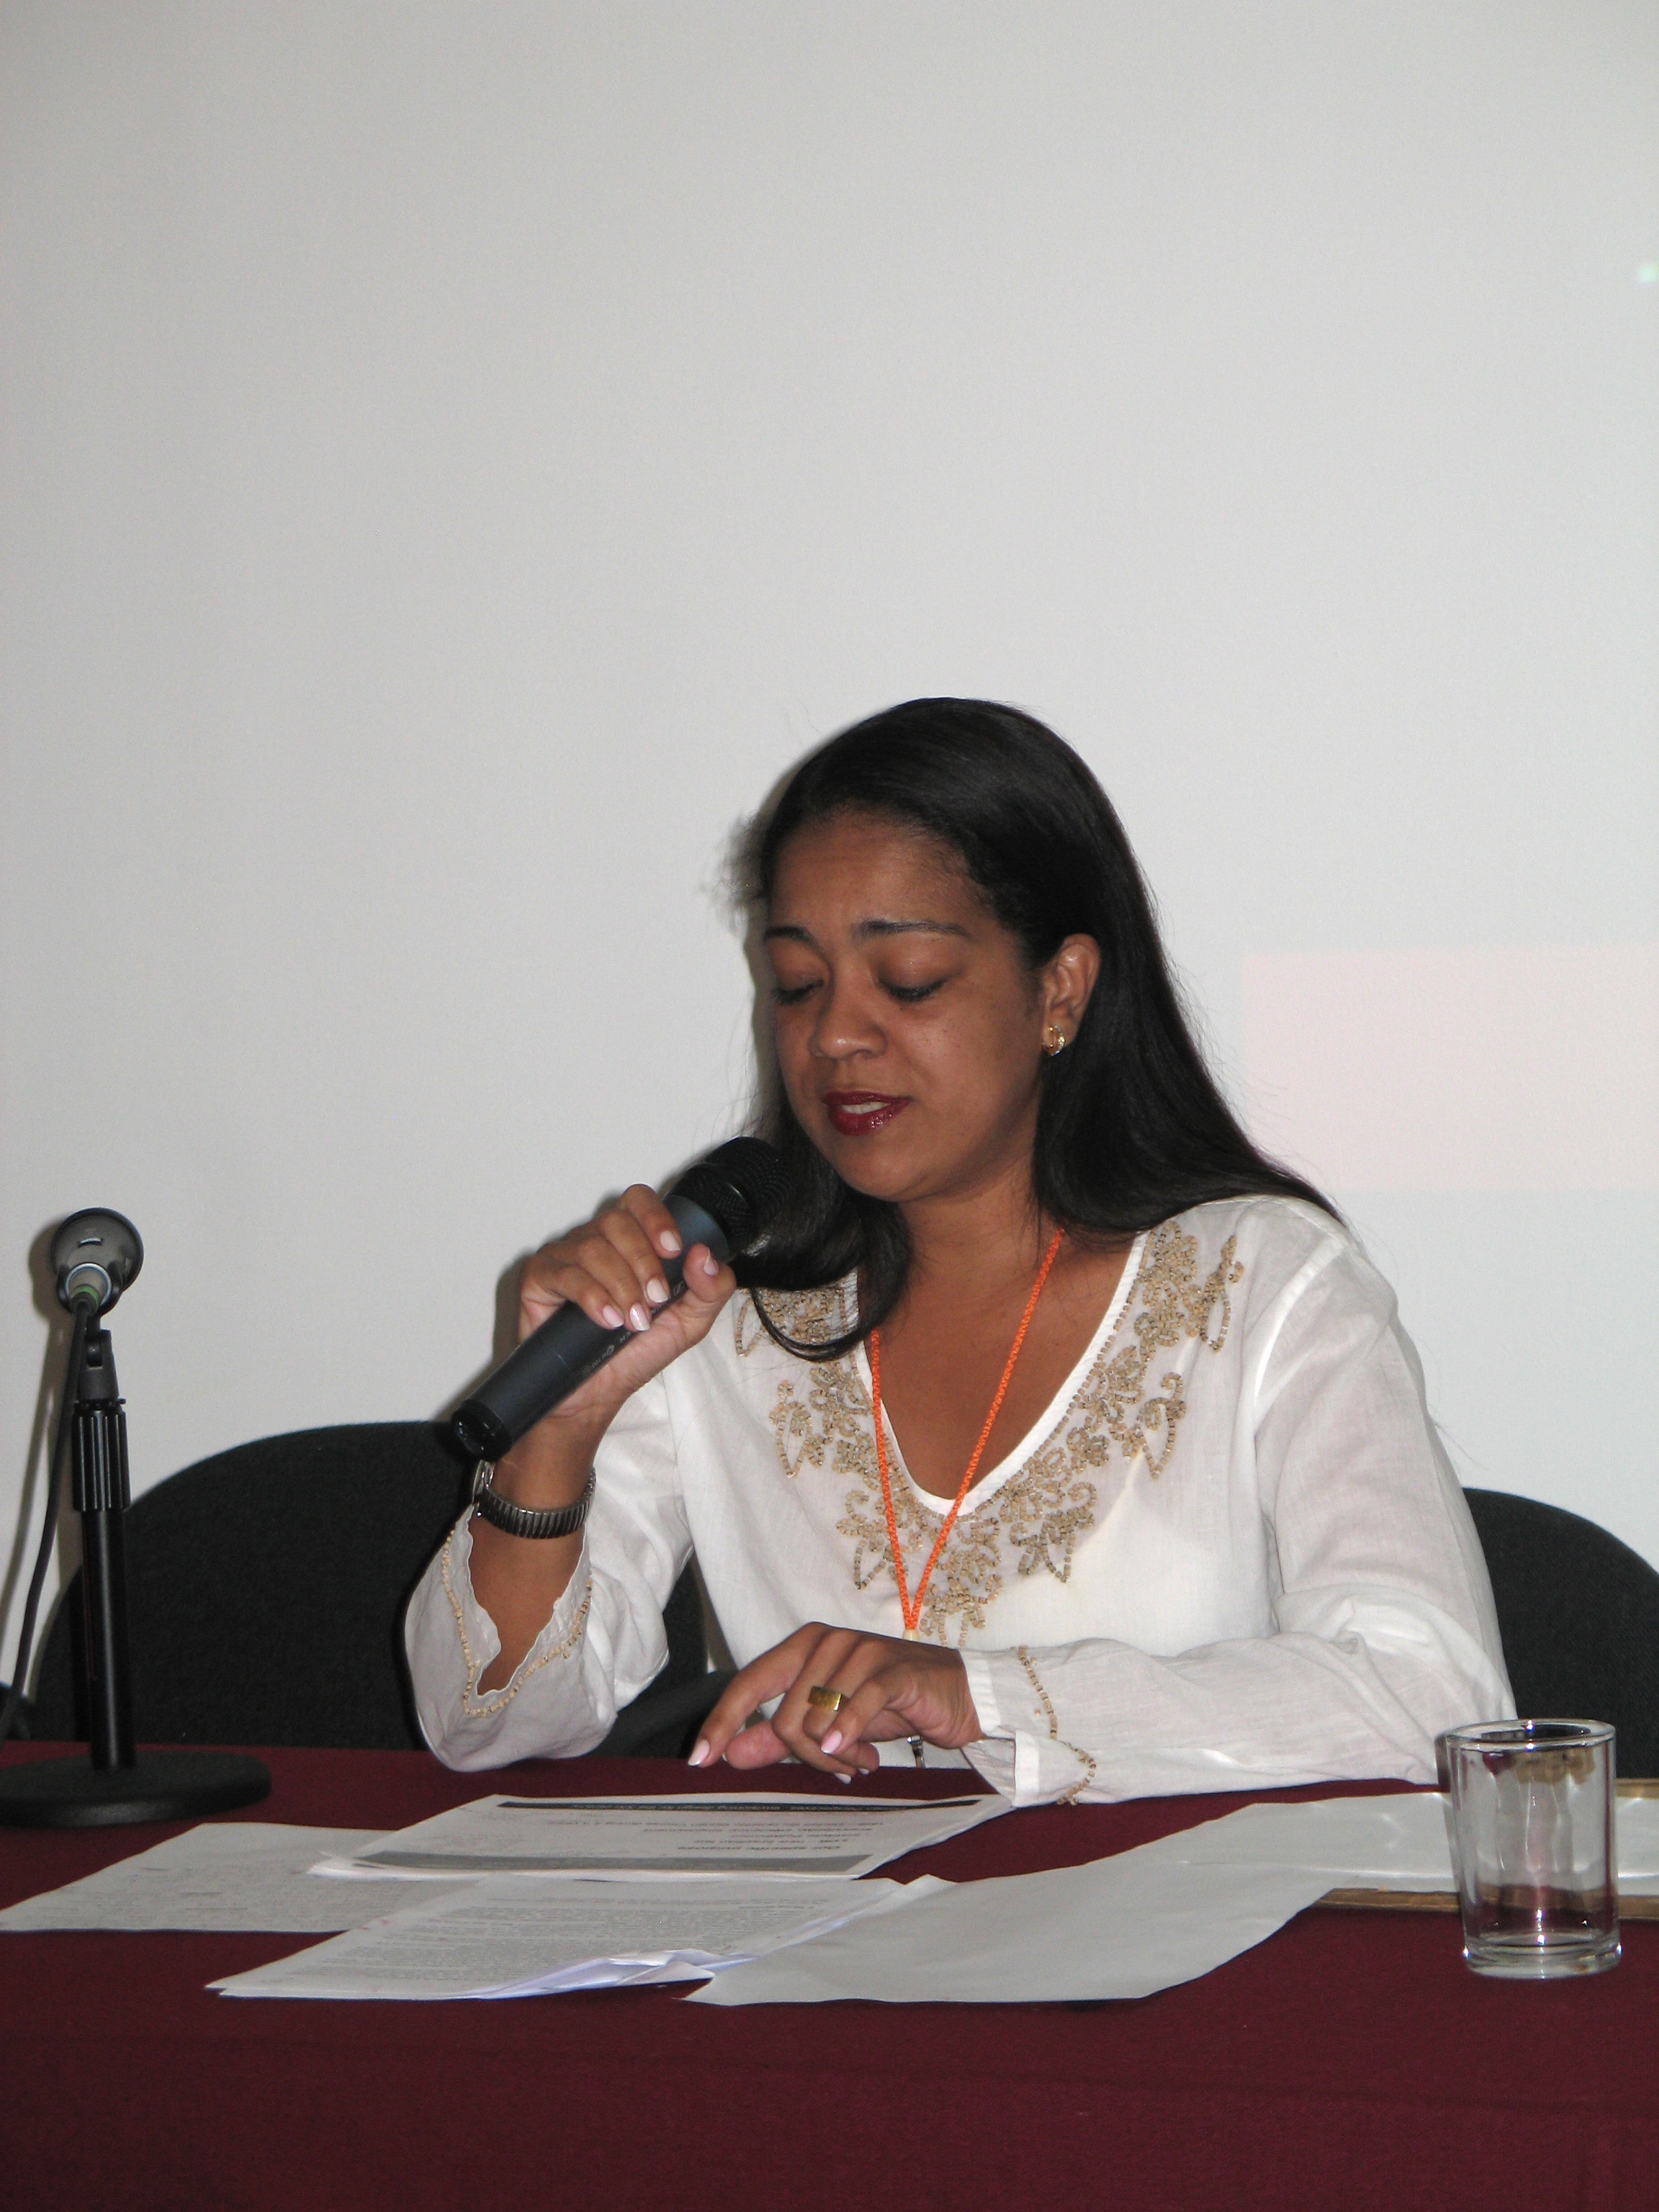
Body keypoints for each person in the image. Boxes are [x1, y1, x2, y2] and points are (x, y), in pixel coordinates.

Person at [405, 698, 1512, 1803]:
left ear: (1060, 990)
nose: (836, 1035)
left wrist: (984, 1696)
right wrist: (555, 1439)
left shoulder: (1262, 1288)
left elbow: (1431, 1703)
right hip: (817, 1917)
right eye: (797, 986)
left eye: (909, 981)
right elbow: (482, 1730)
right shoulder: (723, 1309)